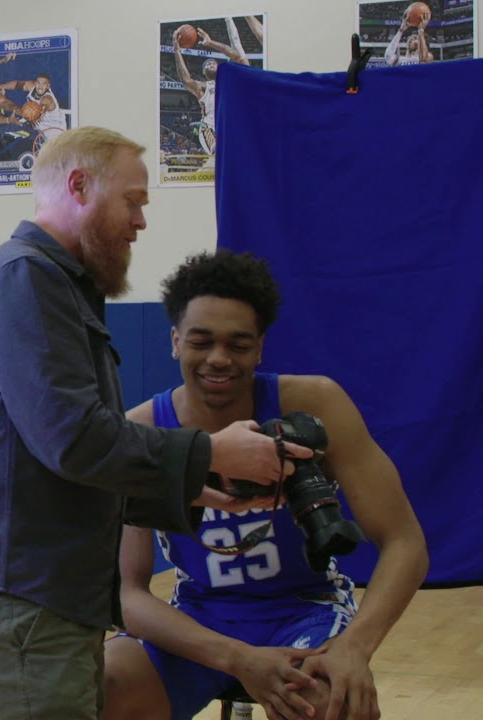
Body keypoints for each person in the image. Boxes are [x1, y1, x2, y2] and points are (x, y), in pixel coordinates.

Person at [0, 126, 313, 720]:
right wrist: (209, 453)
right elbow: (74, 440)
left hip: (51, 594)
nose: (140, 222)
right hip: (26, 592)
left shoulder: (56, 286)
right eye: (133, 201)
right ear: (79, 186)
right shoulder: (24, 276)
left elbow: (67, 465)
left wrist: (187, 483)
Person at [103, 250, 428, 720]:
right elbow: (127, 593)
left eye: (238, 345)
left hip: (304, 611)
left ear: (260, 348)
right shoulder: (143, 432)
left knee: (334, 702)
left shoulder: (317, 404)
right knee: (102, 686)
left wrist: (353, 648)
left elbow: (405, 542)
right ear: (175, 341)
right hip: (200, 617)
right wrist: (236, 658)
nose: (218, 358)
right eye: (201, 341)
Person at [173, 18, 250, 162]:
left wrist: (211, 42)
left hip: (230, 126)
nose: (210, 63)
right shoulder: (203, 87)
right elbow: (186, 80)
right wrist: (177, 51)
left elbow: (235, 55)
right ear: (203, 73)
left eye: (213, 62)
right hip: (210, 128)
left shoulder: (228, 81)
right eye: (207, 64)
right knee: (220, 154)